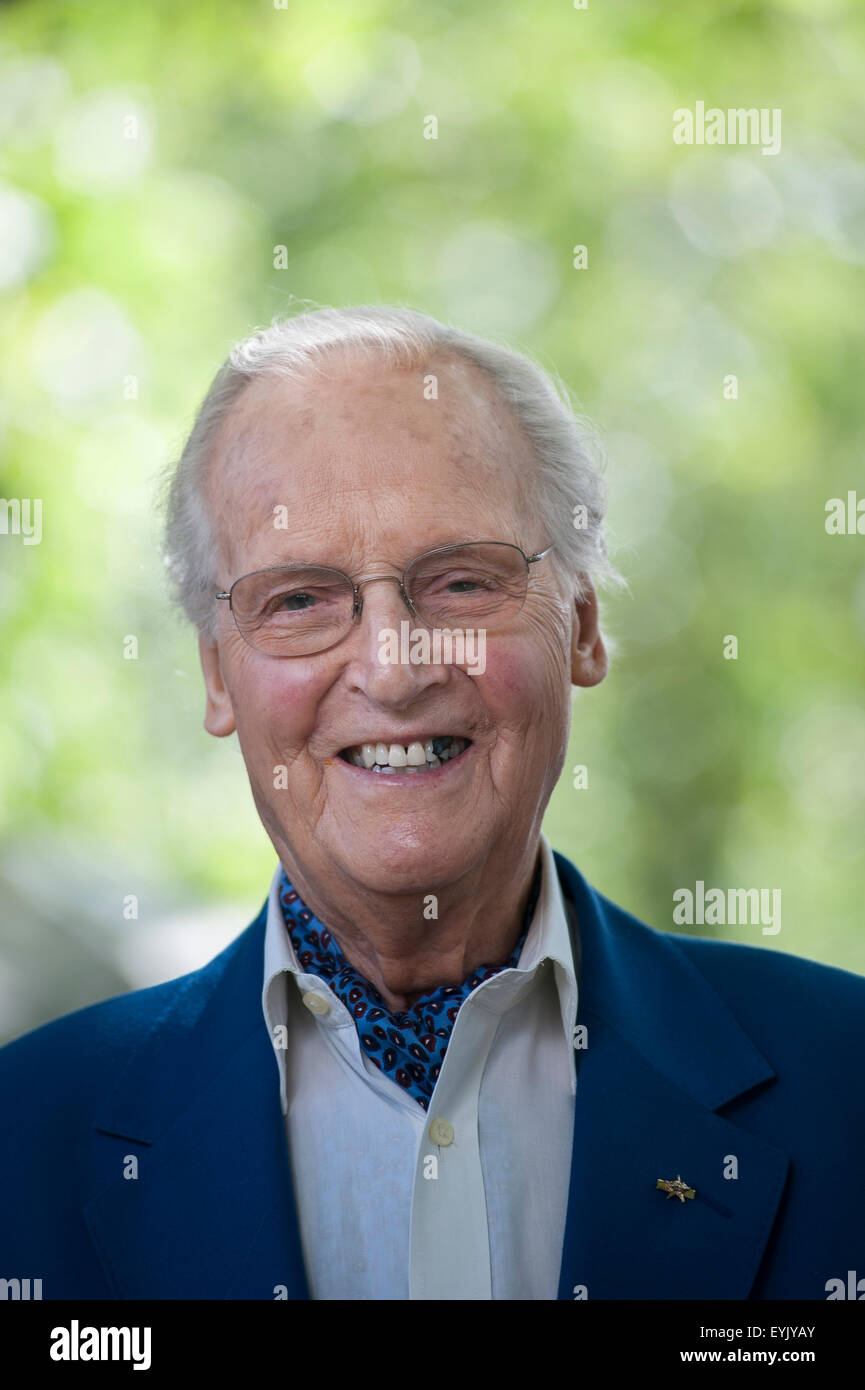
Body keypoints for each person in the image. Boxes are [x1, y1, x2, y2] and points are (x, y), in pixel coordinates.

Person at [1, 306, 863, 1301]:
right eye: (300, 601)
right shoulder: (23, 1140)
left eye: (459, 582)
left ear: (582, 627)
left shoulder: (846, 1085)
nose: (393, 668)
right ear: (216, 677)